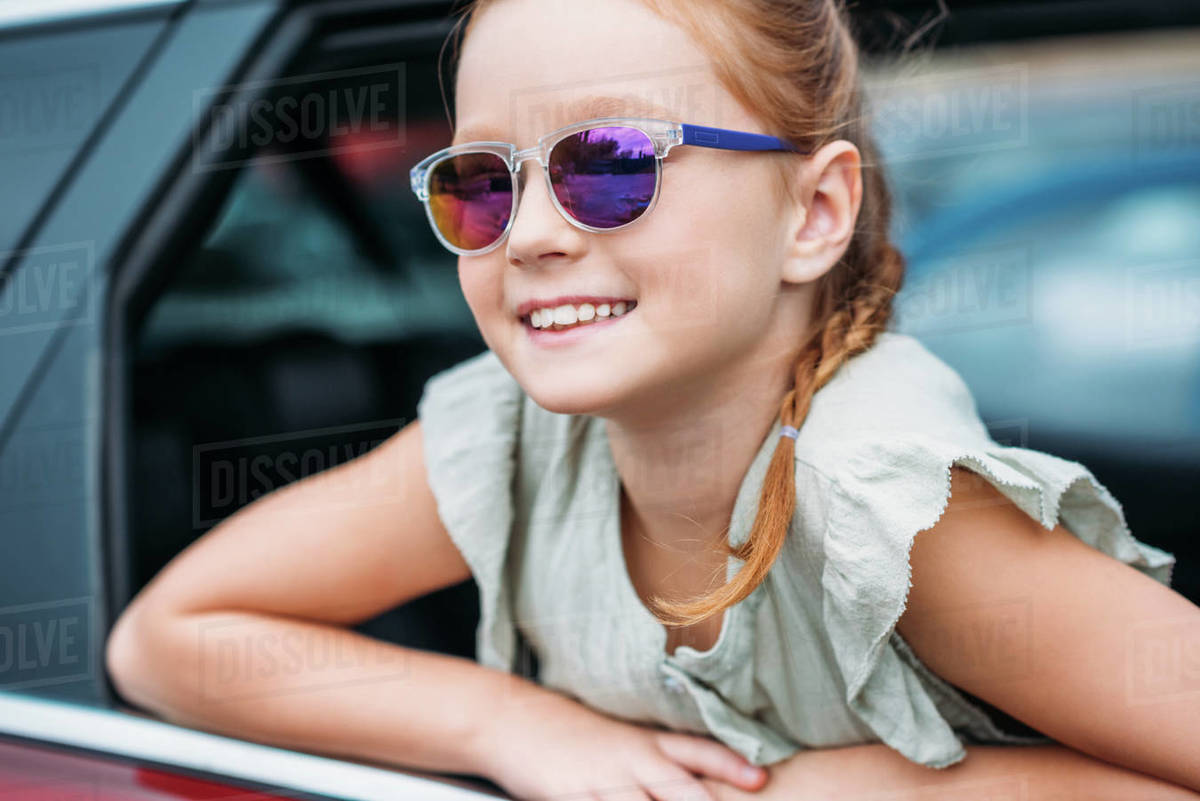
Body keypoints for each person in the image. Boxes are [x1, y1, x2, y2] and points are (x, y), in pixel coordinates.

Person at [107, 1, 1200, 800]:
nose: (532, 233)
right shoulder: (516, 439)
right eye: (482, 182)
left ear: (815, 212)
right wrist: (506, 724)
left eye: (611, 164)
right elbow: (169, 639)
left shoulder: (889, 508)